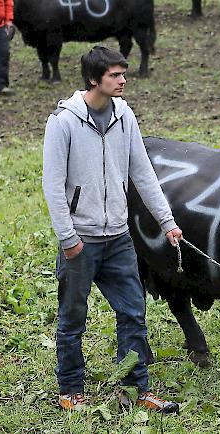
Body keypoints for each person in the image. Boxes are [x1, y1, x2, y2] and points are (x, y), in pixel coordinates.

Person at [42, 46, 183, 414]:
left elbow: (142, 172)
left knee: (133, 312)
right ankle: (71, 390)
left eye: (124, 74)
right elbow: (53, 186)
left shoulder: (125, 116)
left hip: (119, 238)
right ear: (94, 79)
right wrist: (68, 239)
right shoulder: (64, 122)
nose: (123, 81)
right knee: (73, 320)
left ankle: (134, 390)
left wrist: (167, 222)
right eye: (115, 75)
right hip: (81, 241)